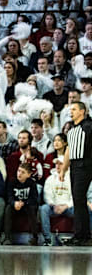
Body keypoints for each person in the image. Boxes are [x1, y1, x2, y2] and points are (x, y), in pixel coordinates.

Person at [59, 101, 92, 245]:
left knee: (79, 200)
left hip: (85, 164)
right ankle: (82, 235)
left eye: (74, 109)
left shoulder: (89, 127)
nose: (71, 112)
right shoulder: (72, 128)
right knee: (78, 201)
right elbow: (69, 150)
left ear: (82, 111)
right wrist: (63, 169)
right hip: (75, 167)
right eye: (70, 109)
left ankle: (82, 235)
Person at [4, 163, 39, 245]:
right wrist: (14, 203)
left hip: (26, 205)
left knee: (32, 208)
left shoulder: (32, 183)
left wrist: (24, 203)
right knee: (8, 209)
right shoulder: (12, 181)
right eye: (19, 171)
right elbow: (9, 196)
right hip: (15, 205)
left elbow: (34, 198)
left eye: (23, 172)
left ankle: (34, 237)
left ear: (29, 174)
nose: (19, 174)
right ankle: (7, 238)